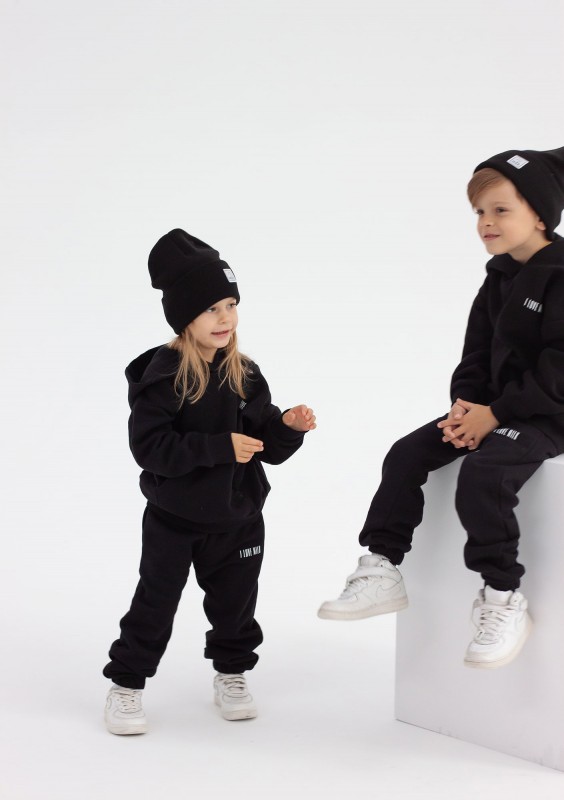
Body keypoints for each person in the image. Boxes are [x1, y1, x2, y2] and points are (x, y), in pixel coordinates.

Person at [318, 146, 564, 670]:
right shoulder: (498, 277)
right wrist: (465, 407)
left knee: (483, 477)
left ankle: (502, 597)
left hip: (549, 415)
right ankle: (382, 566)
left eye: (500, 210)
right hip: (492, 411)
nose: (485, 222)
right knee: (406, 454)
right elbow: (475, 354)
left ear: (540, 215)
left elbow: (559, 372)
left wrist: (495, 415)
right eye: (479, 211)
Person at [103, 229, 316, 734]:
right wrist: (219, 447)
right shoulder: (164, 376)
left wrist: (287, 428)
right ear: (184, 316)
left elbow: (265, 445)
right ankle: (127, 684)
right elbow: (150, 449)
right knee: (155, 604)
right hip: (174, 520)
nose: (225, 318)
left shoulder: (246, 373)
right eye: (211, 309)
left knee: (236, 605)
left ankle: (232, 673)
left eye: (231, 305)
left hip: (238, 518)